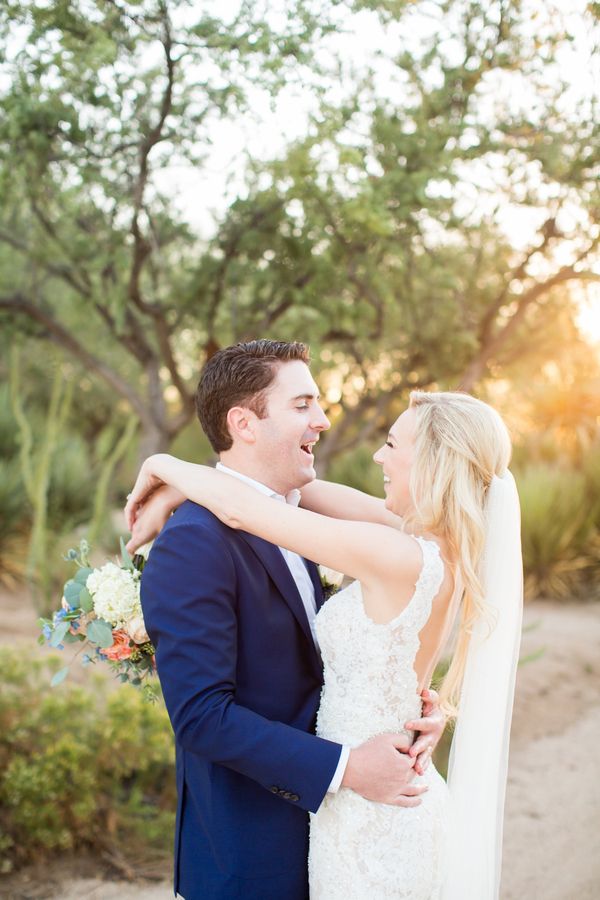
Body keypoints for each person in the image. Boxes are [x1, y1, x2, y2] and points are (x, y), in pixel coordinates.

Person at [126, 340, 447, 900]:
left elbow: (335, 666)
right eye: (302, 404)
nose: (322, 421)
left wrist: (414, 704)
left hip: (346, 839)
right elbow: (202, 717)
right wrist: (347, 769)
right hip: (254, 856)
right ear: (243, 423)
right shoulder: (194, 543)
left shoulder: (292, 518)